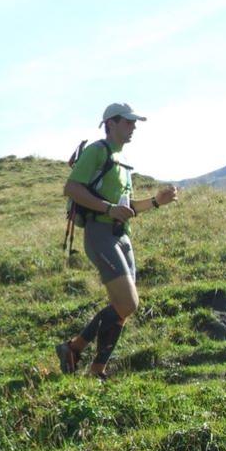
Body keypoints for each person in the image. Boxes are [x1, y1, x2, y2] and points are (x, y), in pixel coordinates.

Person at [57, 103, 178, 380]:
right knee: (128, 304)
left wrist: (156, 202)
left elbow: (127, 207)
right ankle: (74, 347)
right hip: (100, 235)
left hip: (122, 236)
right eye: (128, 122)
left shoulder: (123, 164)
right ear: (110, 123)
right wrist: (108, 209)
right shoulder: (97, 152)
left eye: (134, 123)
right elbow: (71, 188)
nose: (133, 127)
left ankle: (95, 367)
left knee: (122, 308)